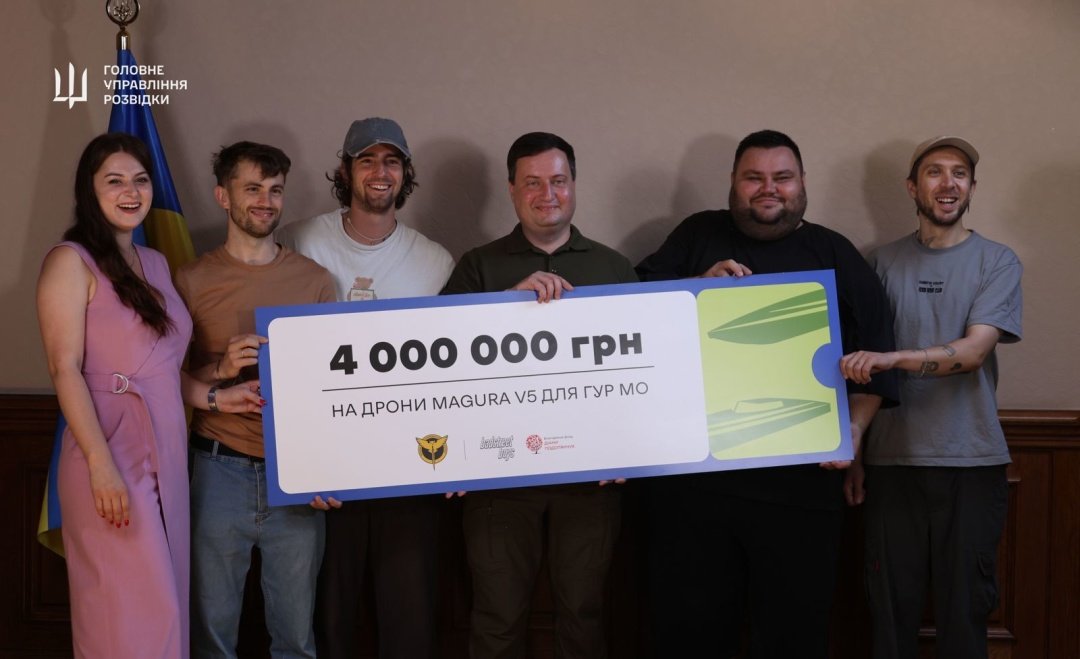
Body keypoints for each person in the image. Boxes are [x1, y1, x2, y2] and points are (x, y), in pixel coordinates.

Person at [635, 129, 899, 659]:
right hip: (694, 492)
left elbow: (878, 355)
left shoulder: (834, 253)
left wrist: (852, 433)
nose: (768, 188)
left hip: (801, 493)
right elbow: (633, 320)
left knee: (792, 637)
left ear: (802, 183)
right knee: (689, 635)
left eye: (782, 177)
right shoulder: (696, 235)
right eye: (753, 178)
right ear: (733, 183)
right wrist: (694, 287)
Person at [37, 133, 260, 659]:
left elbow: (160, 371)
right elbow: (63, 368)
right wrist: (100, 466)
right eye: (114, 181)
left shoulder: (155, 264)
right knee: (131, 611)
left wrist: (216, 396)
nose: (131, 191)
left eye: (140, 180)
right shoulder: (70, 261)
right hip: (108, 449)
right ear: (89, 190)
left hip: (167, 448)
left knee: (167, 607)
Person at [442, 131, 637, 659]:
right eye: (532, 183)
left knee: (584, 617)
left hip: (590, 481)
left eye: (558, 180)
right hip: (498, 478)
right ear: (511, 189)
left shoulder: (614, 268)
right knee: (496, 619)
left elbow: (642, 371)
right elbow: (445, 363)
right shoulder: (477, 266)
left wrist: (630, 449)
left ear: (574, 184)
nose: (547, 194)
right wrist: (505, 305)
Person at [277, 117, 453, 659]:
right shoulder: (298, 240)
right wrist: (301, 464)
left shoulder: (436, 260)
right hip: (328, 471)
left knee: (410, 624)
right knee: (331, 624)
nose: (380, 171)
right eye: (367, 160)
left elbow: (450, 371)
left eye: (392, 161)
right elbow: (282, 360)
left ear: (406, 173)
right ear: (344, 169)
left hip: (408, 470)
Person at [840, 136, 1022, 659]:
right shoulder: (879, 263)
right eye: (935, 172)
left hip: (972, 462)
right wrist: (855, 451)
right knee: (888, 619)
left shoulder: (997, 261)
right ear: (912, 187)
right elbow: (861, 373)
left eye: (960, 173)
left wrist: (893, 358)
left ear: (971, 188)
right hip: (890, 464)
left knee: (964, 617)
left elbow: (973, 352)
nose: (949, 183)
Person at [175, 141, 339, 659]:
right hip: (216, 470)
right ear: (223, 196)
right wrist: (221, 372)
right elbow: (166, 379)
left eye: (275, 190)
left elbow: (331, 392)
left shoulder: (315, 281)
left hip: (294, 478)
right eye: (252, 189)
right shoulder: (189, 281)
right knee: (211, 637)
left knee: (296, 639)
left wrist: (325, 469)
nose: (266, 202)